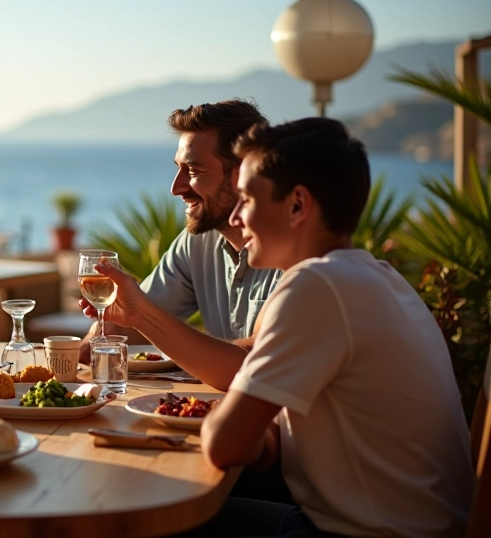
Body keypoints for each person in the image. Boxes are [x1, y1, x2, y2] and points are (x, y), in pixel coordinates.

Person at [119, 118, 473, 536]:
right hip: (406, 524)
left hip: (365, 533)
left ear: (297, 205)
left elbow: (222, 443)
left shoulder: (315, 287)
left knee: (148, 520)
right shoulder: (375, 278)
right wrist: (257, 431)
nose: (236, 215)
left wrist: (242, 426)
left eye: (248, 198)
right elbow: (271, 441)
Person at [81, 99, 282, 391]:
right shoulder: (197, 242)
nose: (176, 188)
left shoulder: (298, 255)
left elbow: (254, 366)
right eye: (179, 168)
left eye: (194, 171)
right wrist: (68, 374)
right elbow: (125, 321)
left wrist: (141, 316)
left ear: (243, 175)